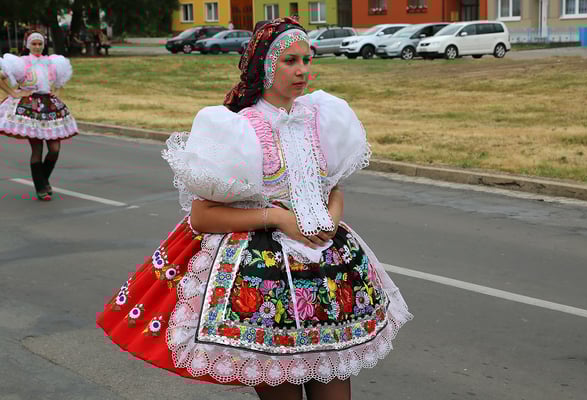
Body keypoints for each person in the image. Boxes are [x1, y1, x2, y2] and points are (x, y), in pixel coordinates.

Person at [97, 17, 412, 400]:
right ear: (265, 65)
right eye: (290, 61)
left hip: (327, 276)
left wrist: (332, 215)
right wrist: (277, 217)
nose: (302, 71)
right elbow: (202, 216)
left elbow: (333, 185)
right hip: (265, 282)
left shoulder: (322, 117)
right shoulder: (239, 129)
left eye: (306, 60)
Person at [0, 31, 77, 201]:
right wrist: (13, 93)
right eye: (33, 44)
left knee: (54, 149)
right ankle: (41, 187)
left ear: (43, 45)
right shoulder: (21, 63)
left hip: (50, 107)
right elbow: (1, 77)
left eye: (40, 44)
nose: (37, 47)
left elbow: (60, 81)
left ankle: (43, 179)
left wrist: (57, 92)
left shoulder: (52, 62)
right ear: (28, 45)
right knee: (37, 149)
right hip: (31, 107)